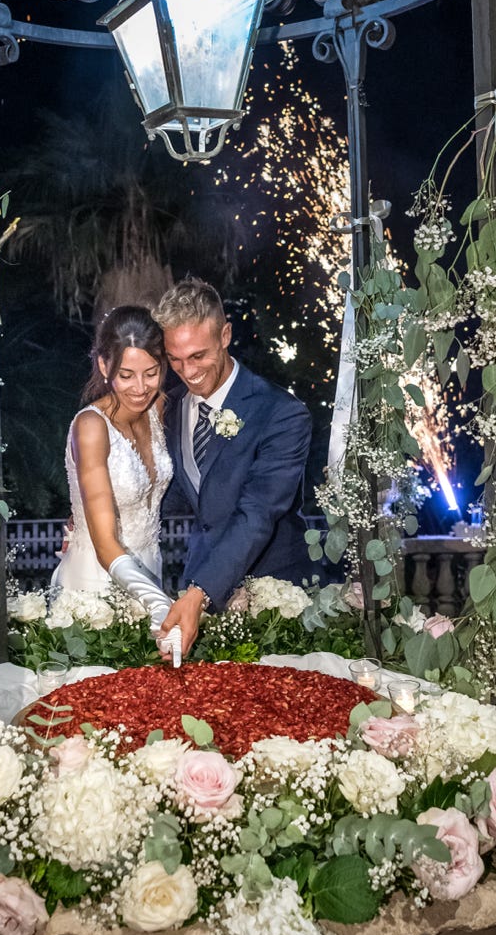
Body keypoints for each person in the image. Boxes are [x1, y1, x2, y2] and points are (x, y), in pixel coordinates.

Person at [154, 278, 314, 657]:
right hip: (199, 585)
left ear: (225, 335)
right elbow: (170, 491)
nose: (186, 371)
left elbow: (257, 514)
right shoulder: (171, 406)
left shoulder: (282, 413)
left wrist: (199, 593)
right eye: (174, 359)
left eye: (198, 356)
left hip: (273, 596)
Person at [52, 305, 174, 635]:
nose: (140, 387)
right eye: (126, 375)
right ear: (105, 366)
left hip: (151, 568)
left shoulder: (157, 408)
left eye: (151, 372)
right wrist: (158, 602)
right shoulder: (91, 427)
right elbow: (104, 541)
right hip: (97, 584)